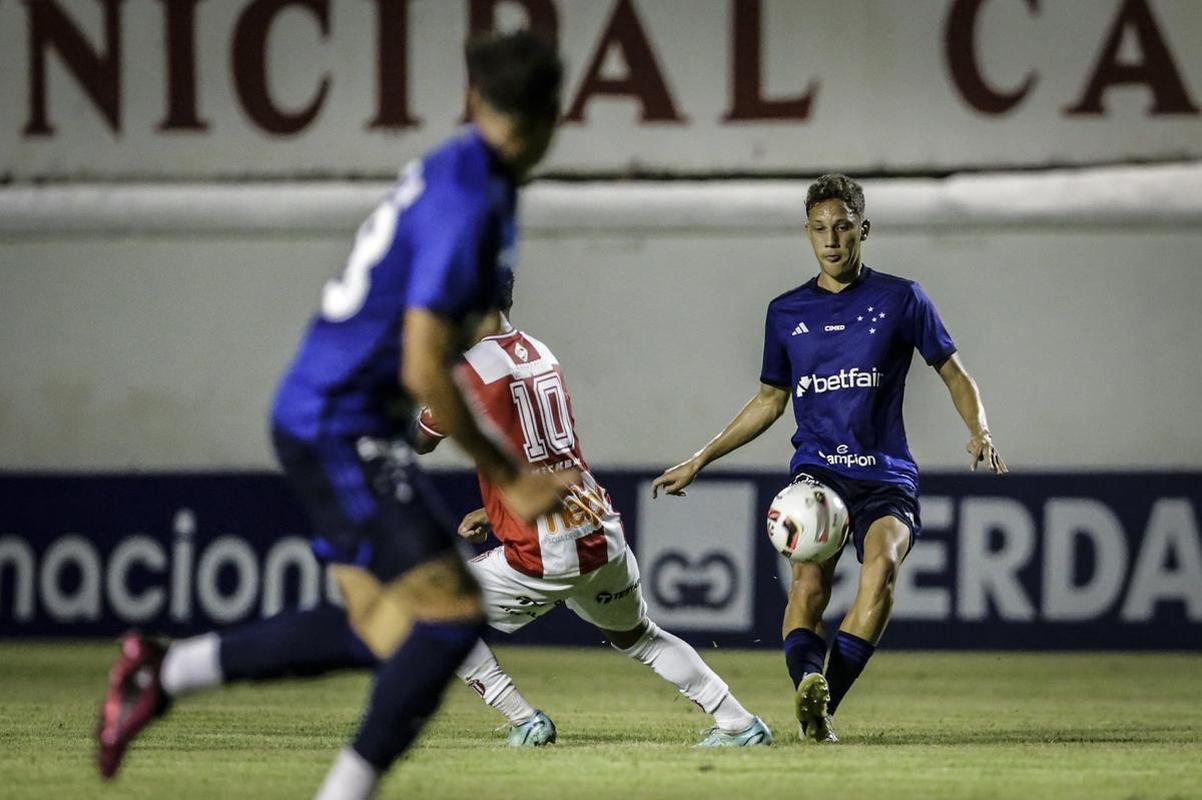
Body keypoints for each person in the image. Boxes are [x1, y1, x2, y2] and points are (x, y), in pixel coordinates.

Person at [96, 31, 573, 799]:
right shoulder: (472, 196)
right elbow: (426, 365)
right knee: (449, 617)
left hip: (338, 415)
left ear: (470, 99)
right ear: (556, 114)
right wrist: (510, 478)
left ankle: (161, 669)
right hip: (337, 422)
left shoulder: (467, 174)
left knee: (384, 629)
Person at [651, 174, 1007, 744]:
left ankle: (820, 700)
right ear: (808, 234)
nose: (831, 240)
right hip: (816, 479)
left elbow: (953, 371)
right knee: (808, 589)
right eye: (819, 229)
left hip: (886, 473)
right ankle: (809, 685)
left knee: (882, 564)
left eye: (842, 227)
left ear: (863, 228)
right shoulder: (786, 312)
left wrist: (979, 428)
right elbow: (770, 401)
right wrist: (701, 459)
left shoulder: (902, 298)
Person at [413, 280, 771, 748]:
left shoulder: (467, 371)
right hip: (598, 528)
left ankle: (523, 719)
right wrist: (493, 507)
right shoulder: (541, 353)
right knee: (639, 636)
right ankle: (739, 723)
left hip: (543, 547)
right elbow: (547, 454)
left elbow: (419, 440)